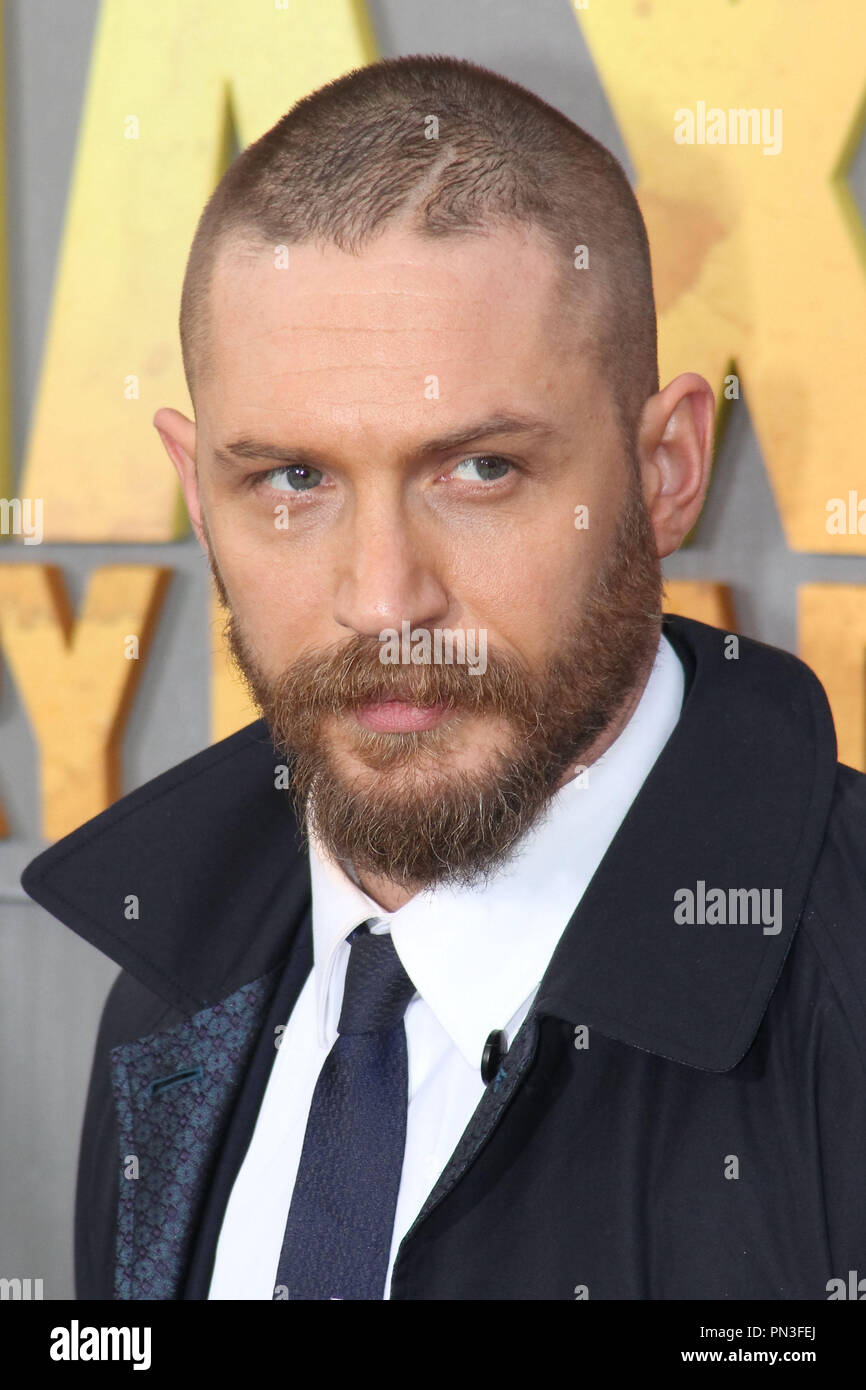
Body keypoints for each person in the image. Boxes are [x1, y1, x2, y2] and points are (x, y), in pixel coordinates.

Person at [22, 54, 866, 1301]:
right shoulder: (165, 1006)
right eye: (292, 480)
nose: (382, 598)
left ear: (667, 469)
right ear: (200, 499)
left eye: (477, 469)